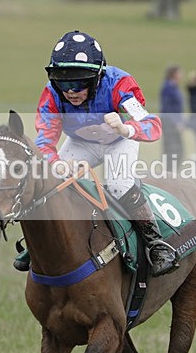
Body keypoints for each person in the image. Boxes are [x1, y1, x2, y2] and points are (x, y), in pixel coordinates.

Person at [33, 30, 177, 277]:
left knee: (118, 184)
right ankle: (37, 248)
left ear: (98, 77)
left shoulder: (120, 84)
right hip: (81, 142)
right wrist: (54, 163)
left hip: (119, 140)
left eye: (79, 83)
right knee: (50, 182)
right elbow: (44, 142)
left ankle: (156, 245)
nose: (70, 91)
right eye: (63, 82)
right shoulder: (52, 93)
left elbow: (153, 126)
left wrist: (126, 127)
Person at [159, 65, 185, 172]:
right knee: (171, 148)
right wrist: (176, 122)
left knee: (178, 149)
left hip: (175, 122)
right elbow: (167, 107)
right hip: (169, 123)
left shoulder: (174, 86)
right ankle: (168, 172)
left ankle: (173, 171)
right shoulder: (168, 87)